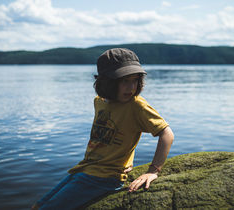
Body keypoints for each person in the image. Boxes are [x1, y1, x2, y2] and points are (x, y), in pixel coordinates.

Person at [32, 48, 174, 210]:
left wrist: (153, 171)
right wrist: (129, 159)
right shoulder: (99, 101)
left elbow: (166, 133)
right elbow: (124, 130)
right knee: (37, 206)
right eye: (124, 81)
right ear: (107, 82)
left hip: (105, 177)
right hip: (84, 168)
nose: (131, 87)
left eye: (135, 80)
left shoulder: (136, 105)